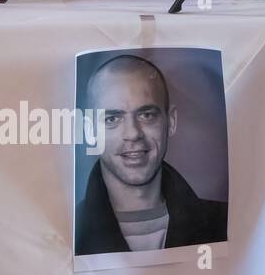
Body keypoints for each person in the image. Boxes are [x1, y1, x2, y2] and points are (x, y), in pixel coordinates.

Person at [76, 54, 226, 254]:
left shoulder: (224, 223)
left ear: (170, 121)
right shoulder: (65, 230)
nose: (133, 133)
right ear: (90, 131)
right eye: (112, 119)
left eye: (146, 115)